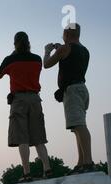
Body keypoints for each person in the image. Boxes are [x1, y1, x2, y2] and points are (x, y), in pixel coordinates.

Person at [0, 31, 52, 182]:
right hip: (35, 99)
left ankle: (27, 173)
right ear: (29, 43)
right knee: (39, 138)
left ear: (15, 43)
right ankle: (47, 169)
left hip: (19, 100)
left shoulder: (10, 59)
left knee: (22, 138)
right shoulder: (37, 59)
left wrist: (13, 54)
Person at [43, 23, 94, 174]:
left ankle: (88, 162)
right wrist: (61, 49)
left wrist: (47, 51)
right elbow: (71, 63)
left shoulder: (65, 48)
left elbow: (46, 64)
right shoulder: (85, 50)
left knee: (80, 126)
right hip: (82, 89)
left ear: (66, 33)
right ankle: (81, 162)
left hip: (72, 91)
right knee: (77, 127)